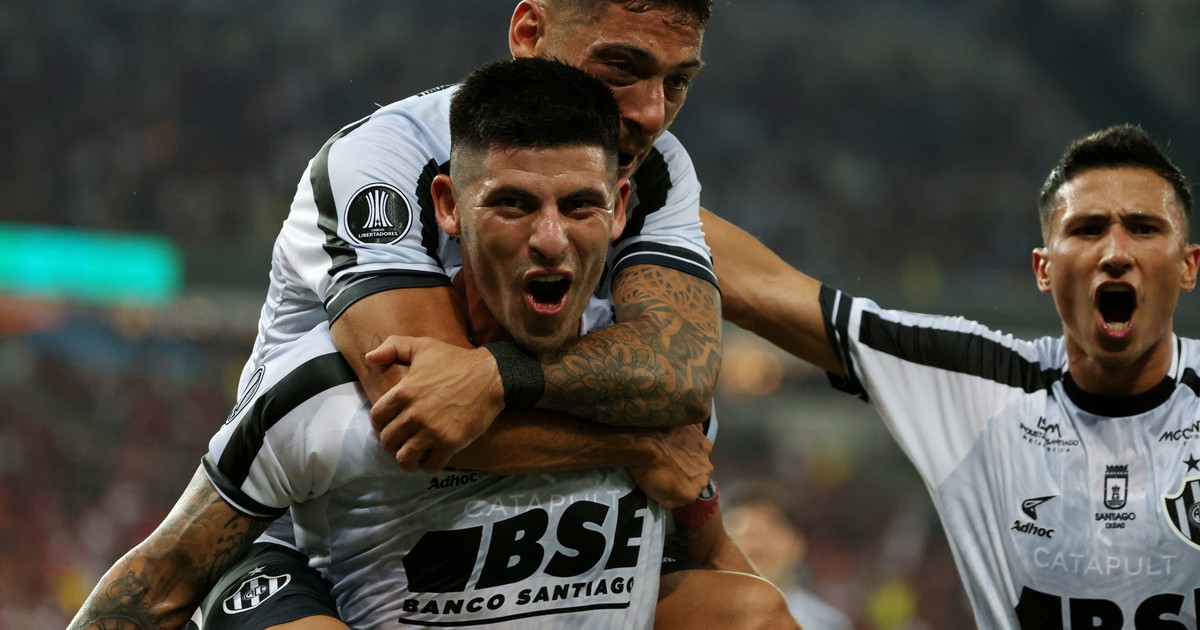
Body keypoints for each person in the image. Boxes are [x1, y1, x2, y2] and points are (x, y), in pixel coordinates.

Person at [70, 57, 791, 630]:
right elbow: (158, 584)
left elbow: (710, 558)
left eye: (579, 206)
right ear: (447, 206)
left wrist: (684, 488)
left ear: (620, 208)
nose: (550, 240)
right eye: (513, 204)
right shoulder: (326, 389)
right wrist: (632, 445)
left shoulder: (650, 384)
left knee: (753, 614)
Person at [703, 123, 1200, 627]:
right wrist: (653, 178)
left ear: (1188, 265)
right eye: (1087, 229)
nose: (1115, 254)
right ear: (1044, 269)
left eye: (1144, 228)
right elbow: (764, 288)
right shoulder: (977, 381)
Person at [251, 0, 722, 476]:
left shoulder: (652, 163)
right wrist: (641, 446)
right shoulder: (382, 158)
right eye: (621, 67)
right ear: (530, 34)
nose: (652, 114)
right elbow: (428, 409)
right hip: (324, 509)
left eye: (677, 82)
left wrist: (496, 375)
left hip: (522, 506)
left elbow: (683, 371)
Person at [724, 483, 855, 630]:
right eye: (737, 526)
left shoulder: (828, 625)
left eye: (769, 526)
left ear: (797, 544)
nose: (755, 541)